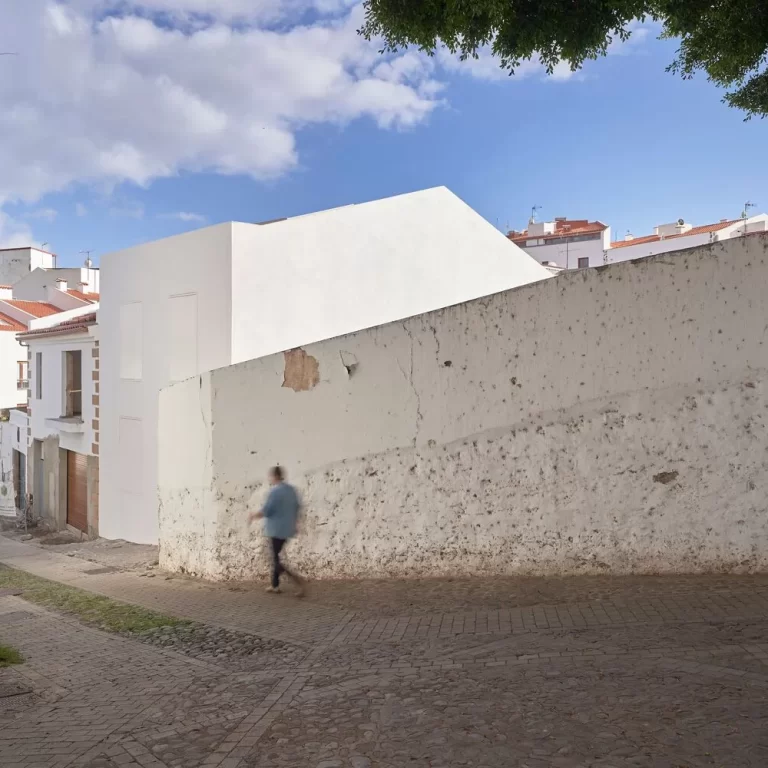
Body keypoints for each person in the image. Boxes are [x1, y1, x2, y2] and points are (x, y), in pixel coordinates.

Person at [248, 465, 306, 596]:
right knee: (275, 556)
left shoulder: (275, 492)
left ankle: (298, 581)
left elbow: (267, 511)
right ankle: (275, 585)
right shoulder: (291, 490)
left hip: (276, 530)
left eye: (271, 477)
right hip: (287, 529)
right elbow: (297, 507)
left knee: (275, 559)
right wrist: (295, 522)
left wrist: (253, 516)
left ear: (275, 476)